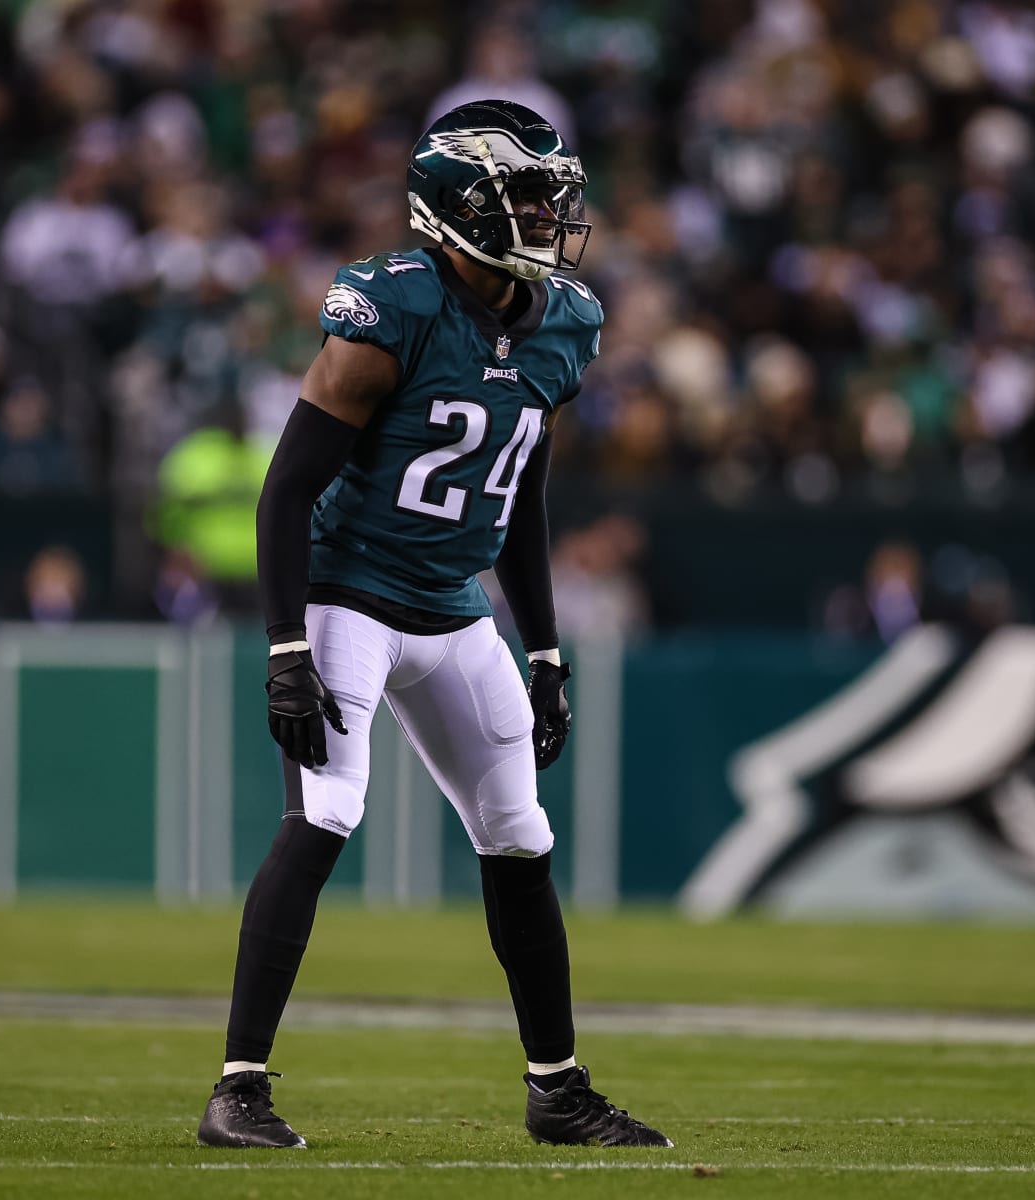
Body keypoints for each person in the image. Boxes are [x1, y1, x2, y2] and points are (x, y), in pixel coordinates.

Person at [197, 101, 670, 1151]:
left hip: (456, 609)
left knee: (521, 836)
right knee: (326, 813)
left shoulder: (565, 321)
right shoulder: (392, 308)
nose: (551, 218)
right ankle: (237, 1088)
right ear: (458, 206)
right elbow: (283, 495)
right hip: (348, 597)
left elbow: (517, 496)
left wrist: (544, 651)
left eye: (555, 198)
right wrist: (286, 649)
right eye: (529, 197)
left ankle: (558, 1088)